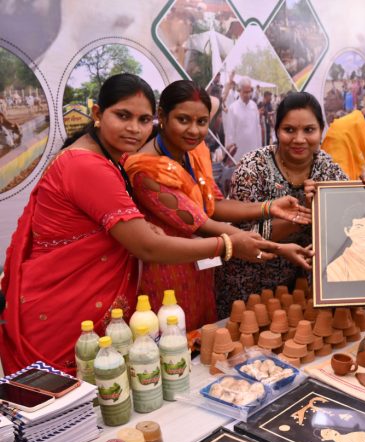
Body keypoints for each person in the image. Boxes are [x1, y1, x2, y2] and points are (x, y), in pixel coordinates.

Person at [0, 74, 281, 375]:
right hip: (67, 309)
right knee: (74, 404)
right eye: (123, 116)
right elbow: (147, 245)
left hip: (104, 298)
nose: (134, 128)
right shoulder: (88, 165)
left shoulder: (110, 159)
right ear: (97, 114)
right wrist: (227, 245)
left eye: (143, 119)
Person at [124, 80, 312, 330]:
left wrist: (269, 207)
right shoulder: (146, 170)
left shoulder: (192, 151)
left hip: (200, 265)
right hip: (166, 268)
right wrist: (277, 247)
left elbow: (213, 205)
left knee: (204, 337)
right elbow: (201, 224)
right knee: (173, 342)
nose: (194, 130)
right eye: (183, 120)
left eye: (201, 122)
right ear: (162, 115)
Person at [215, 92, 347, 315]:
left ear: (321, 130)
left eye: (309, 130)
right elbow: (247, 239)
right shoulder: (253, 167)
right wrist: (303, 216)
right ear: (276, 131)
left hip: (299, 283)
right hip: (249, 281)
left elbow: (347, 223)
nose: (299, 139)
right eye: (289, 130)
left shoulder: (327, 168)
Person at [222, 76, 262, 164]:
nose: (247, 95)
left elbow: (257, 128)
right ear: (240, 91)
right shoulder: (233, 108)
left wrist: (259, 149)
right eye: (245, 92)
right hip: (238, 151)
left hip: (253, 148)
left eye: (249, 92)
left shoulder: (254, 106)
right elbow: (230, 132)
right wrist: (230, 151)